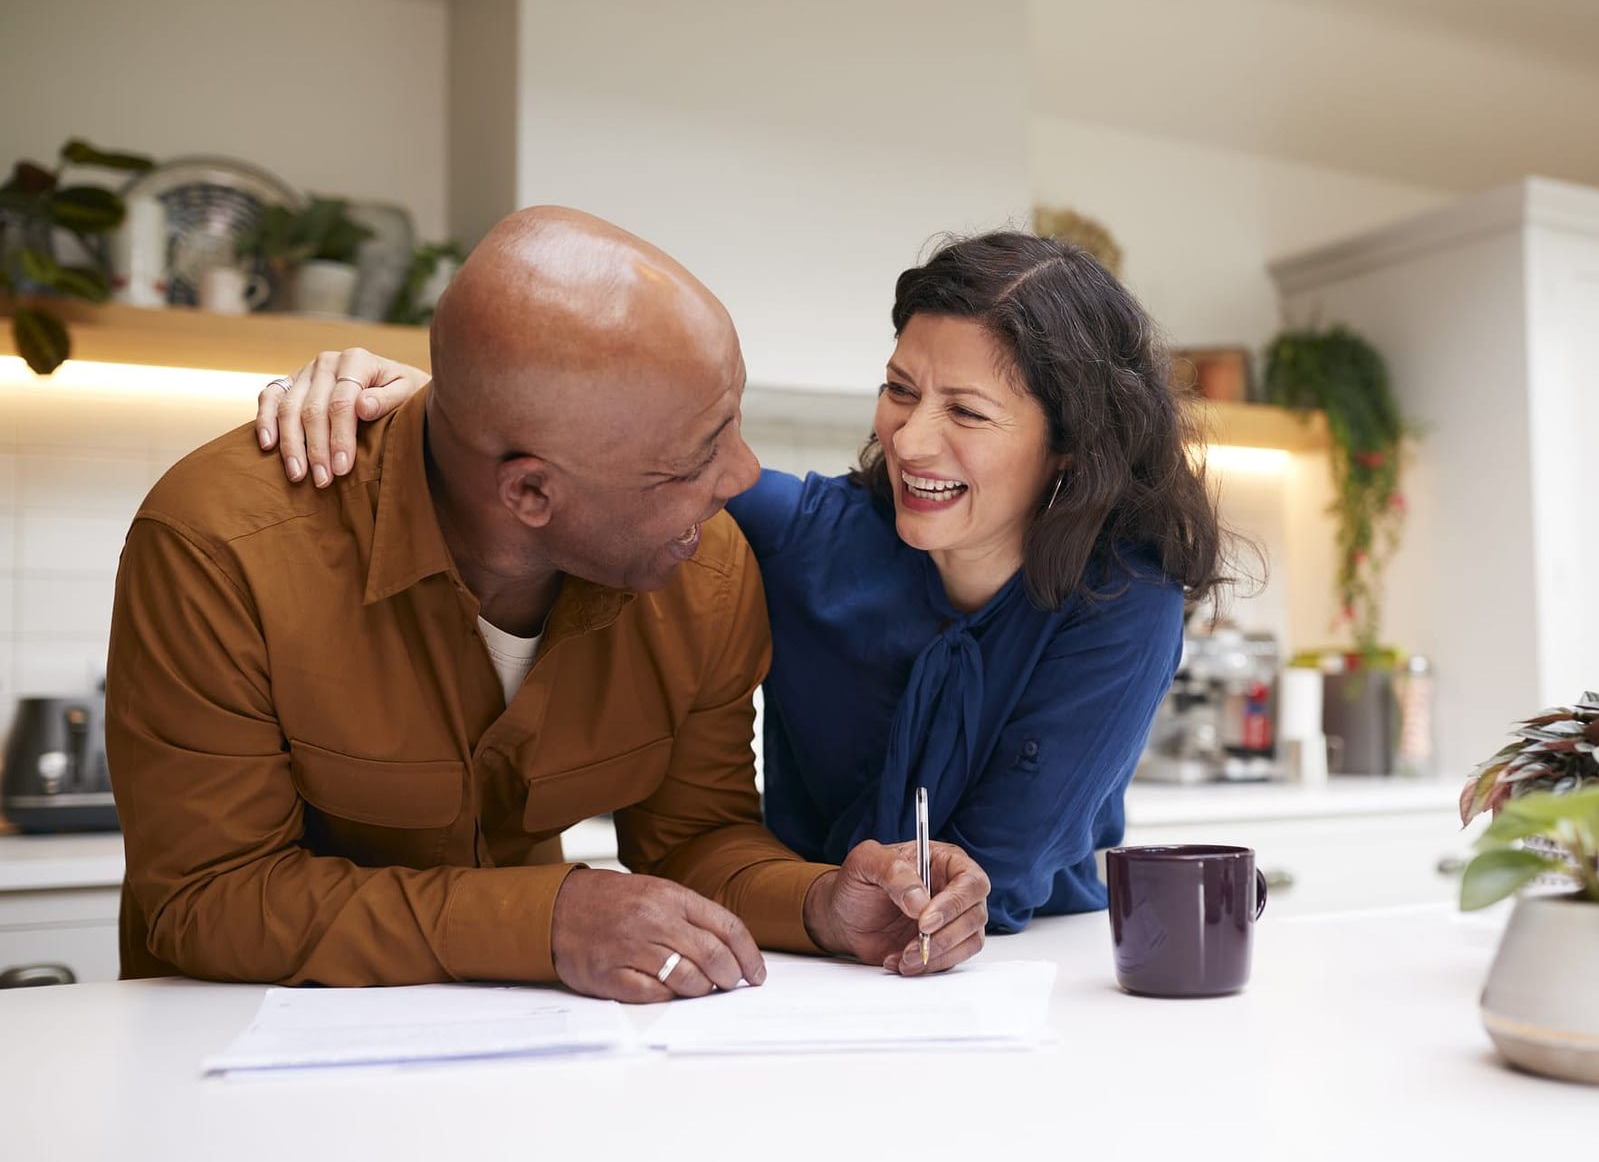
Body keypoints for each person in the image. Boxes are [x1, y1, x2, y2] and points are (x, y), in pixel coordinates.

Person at [107, 207, 990, 1001]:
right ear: (530, 494)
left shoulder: (704, 568)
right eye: (693, 459)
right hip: (229, 1060)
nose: (742, 478)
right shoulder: (221, 548)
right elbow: (208, 896)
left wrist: (822, 901)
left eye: (733, 422)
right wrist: (548, 920)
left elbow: (694, 839)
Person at [258, 232, 1235, 933]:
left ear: (1072, 445)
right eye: (900, 388)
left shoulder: (1124, 601)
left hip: (1021, 971)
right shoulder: (811, 538)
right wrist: (433, 404)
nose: (910, 436)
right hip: (802, 943)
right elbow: (603, 465)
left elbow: (998, 876)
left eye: (966, 411)